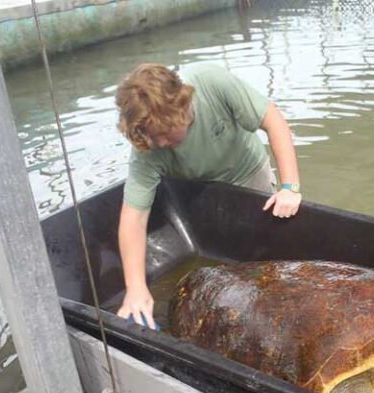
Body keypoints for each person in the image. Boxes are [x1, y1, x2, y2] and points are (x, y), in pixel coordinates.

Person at [114, 62, 302, 328]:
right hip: (196, 190)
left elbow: (274, 121)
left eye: (167, 133)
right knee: (219, 260)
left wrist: (289, 188)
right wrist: (135, 287)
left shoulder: (214, 84)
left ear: (182, 106)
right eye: (155, 138)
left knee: (264, 255)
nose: (163, 144)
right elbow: (133, 219)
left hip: (246, 173)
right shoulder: (148, 150)